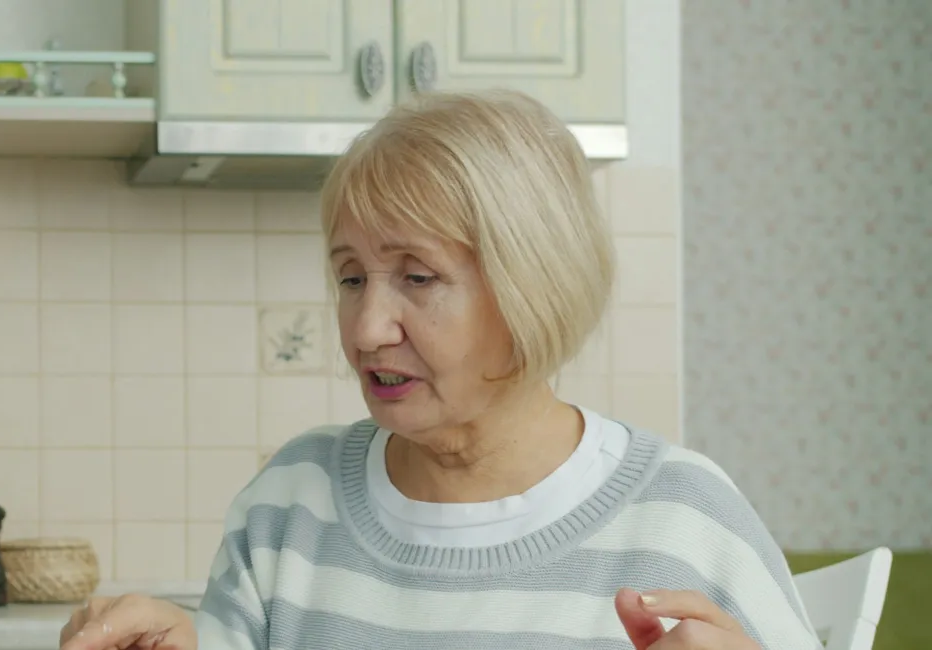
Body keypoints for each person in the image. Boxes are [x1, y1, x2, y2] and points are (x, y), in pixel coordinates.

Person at [59, 91, 821, 650]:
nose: (365, 328)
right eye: (351, 277)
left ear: (533, 286)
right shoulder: (291, 503)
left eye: (417, 278)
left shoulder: (684, 517)